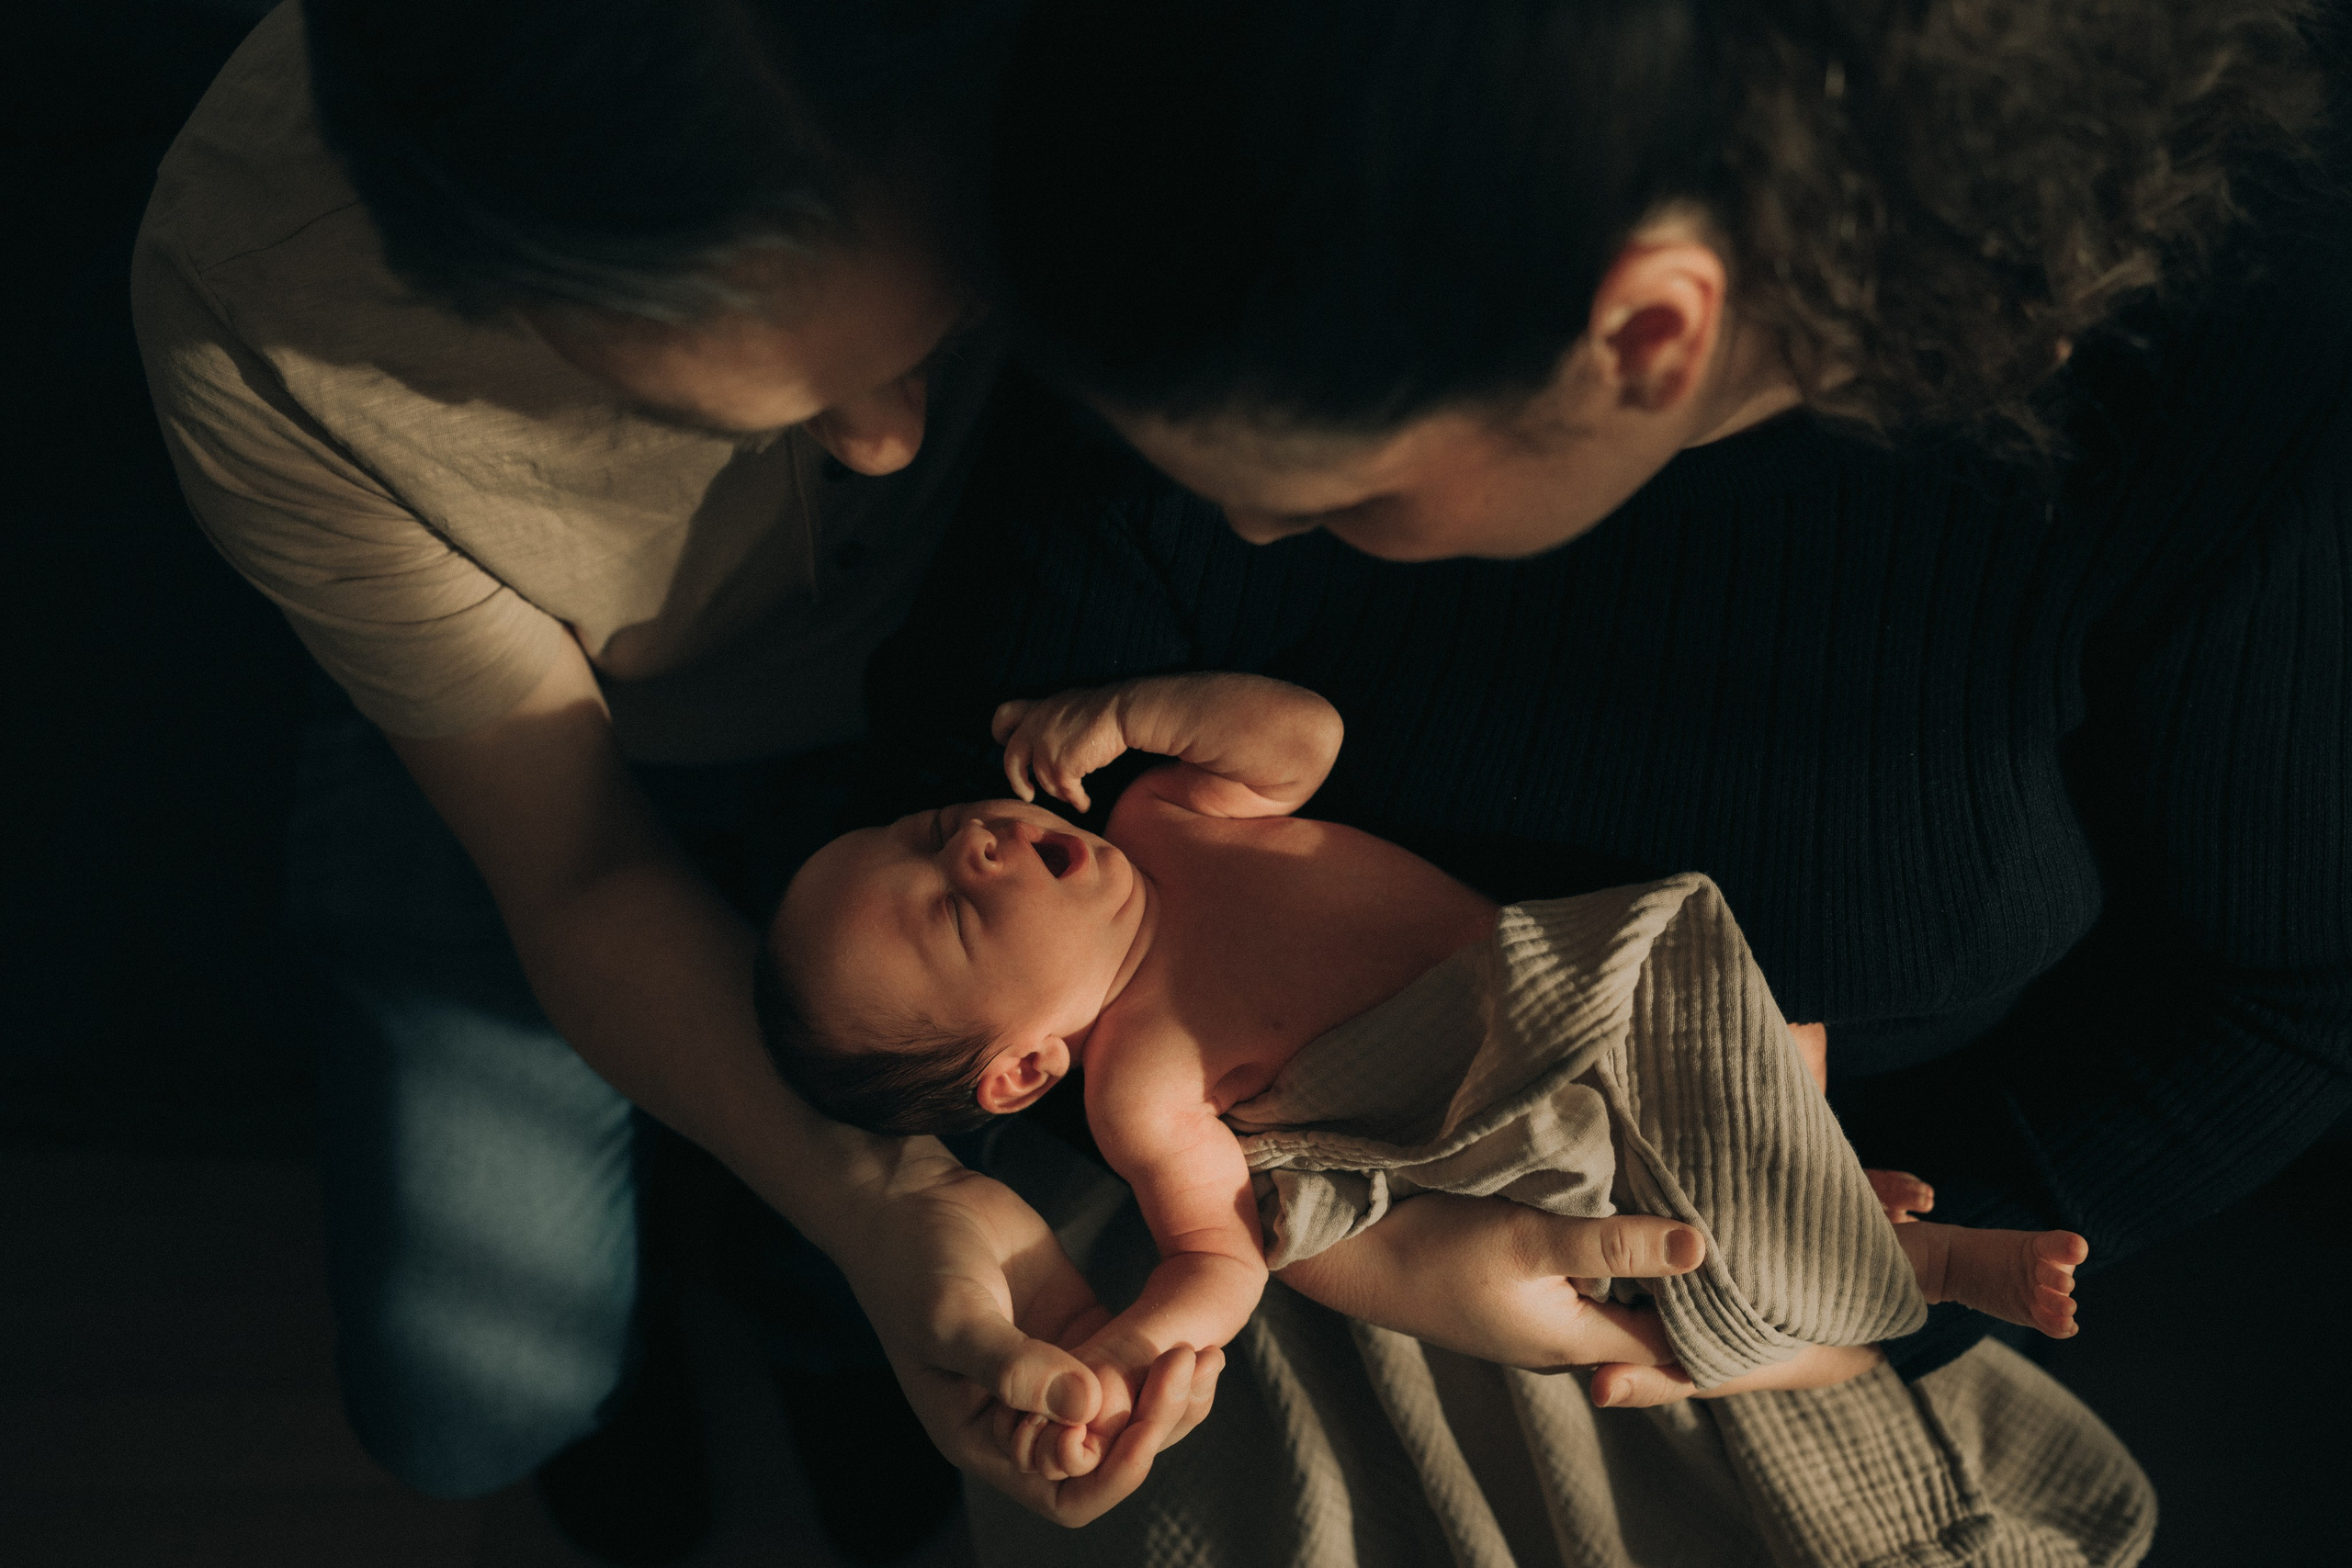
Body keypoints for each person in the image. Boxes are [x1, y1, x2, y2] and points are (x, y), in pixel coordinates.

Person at [833, 0, 2343, 1555]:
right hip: (1289, 1179)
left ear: (1644, 343)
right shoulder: (1224, 161)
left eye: (1343, 493)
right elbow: (959, 784)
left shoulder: (2241, 385)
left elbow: (2286, 990)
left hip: (1784, 1219)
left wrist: (1878, 1261)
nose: (1254, 533)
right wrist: (1372, 1246)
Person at [128, 2, 1233, 1560]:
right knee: (468, 1406)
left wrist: (879, 1219)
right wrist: (865, 1204)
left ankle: (786, 1311)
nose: (884, 443)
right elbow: (577, 867)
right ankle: (661, 1341)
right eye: (751, 397)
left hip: (958, 676)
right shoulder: (262, 310)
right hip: (543, 749)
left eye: (941, 316)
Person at [766, 670, 2088, 1468]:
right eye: (953, 911)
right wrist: (1133, 1350)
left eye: (937, 830)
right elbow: (1221, 1255)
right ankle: (1926, 1265)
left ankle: (1852, 1217)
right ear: (1021, 1071)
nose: (981, 849)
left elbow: (1303, 743)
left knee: (1763, 1063)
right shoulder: (1138, 1084)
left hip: (1564, 976)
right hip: (1497, 1113)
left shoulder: (1161, 809)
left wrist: (1132, 713)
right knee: (1692, 1223)